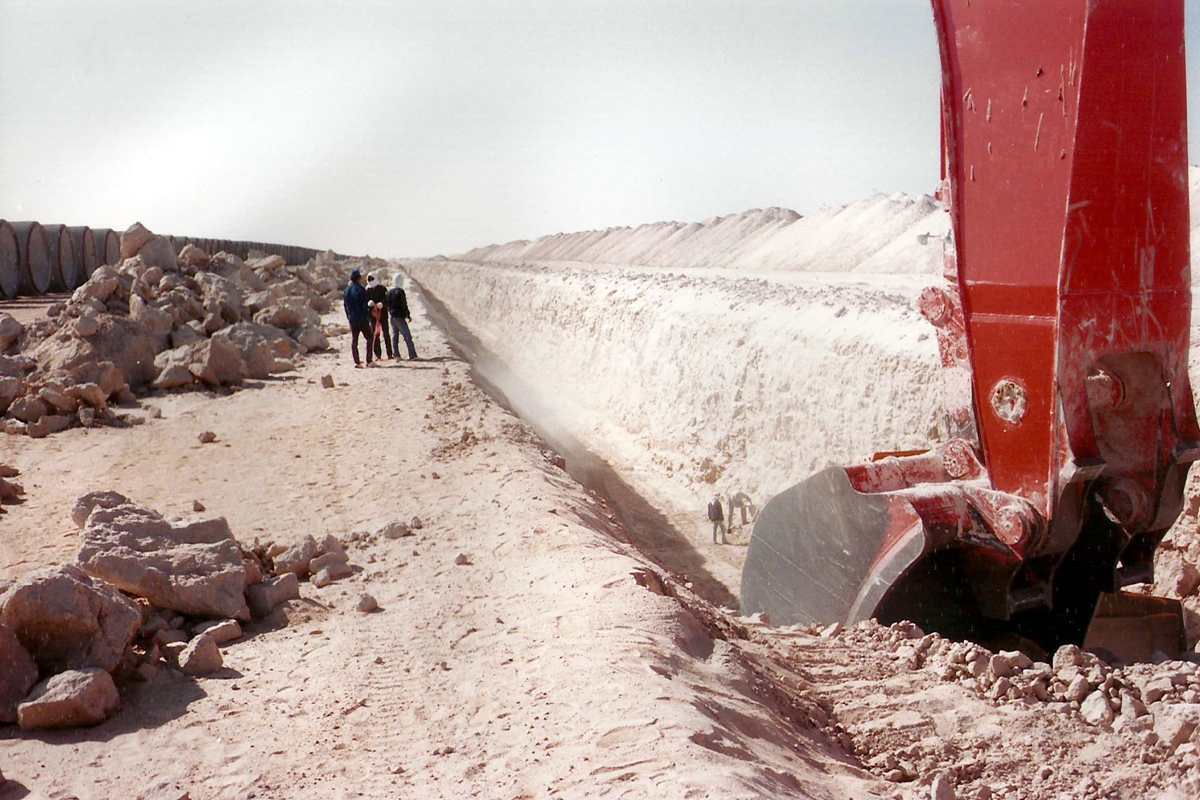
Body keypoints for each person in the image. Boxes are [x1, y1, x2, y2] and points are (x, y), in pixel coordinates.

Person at [342, 269, 372, 367]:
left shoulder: (346, 291)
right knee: (369, 338)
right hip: (362, 319)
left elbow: (345, 306)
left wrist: (349, 317)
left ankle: (357, 362)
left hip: (352, 319)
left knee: (354, 340)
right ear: (359, 278)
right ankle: (369, 360)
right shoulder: (361, 290)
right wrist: (368, 317)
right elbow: (364, 306)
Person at [387, 274, 418, 360]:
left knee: (395, 336)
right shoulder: (400, 292)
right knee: (407, 336)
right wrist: (408, 315)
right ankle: (412, 355)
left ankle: (396, 355)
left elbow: (387, 304)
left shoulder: (389, 292)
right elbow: (404, 305)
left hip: (392, 317)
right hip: (399, 317)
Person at [365, 272, 393, 359]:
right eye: (369, 279)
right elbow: (364, 301)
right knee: (375, 334)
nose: (370, 281)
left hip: (383, 314)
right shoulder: (367, 290)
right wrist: (369, 304)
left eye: (372, 279)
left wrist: (382, 304)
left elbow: (387, 300)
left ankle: (389, 354)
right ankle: (378, 355)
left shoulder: (382, 289)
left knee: (386, 334)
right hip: (373, 315)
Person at [367, 300, 385, 365]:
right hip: (372, 318)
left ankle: (378, 355)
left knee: (377, 336)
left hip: (378, 317)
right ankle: (374, 355)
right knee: (373, 337)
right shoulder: (369, 291)